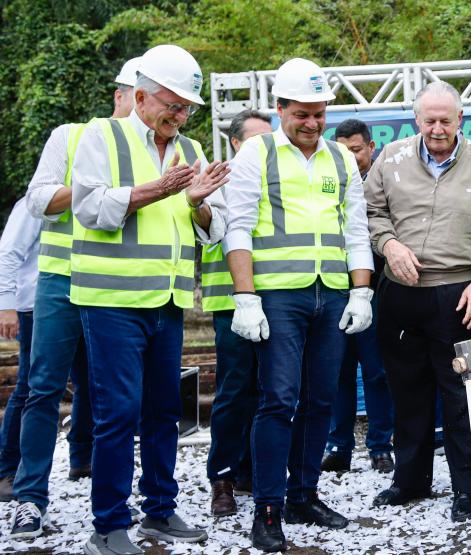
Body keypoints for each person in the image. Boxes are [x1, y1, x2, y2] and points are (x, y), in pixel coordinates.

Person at [69, 44, 227, 554]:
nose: (179, 117)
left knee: (164, 411)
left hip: (168, 300)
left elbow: (213, 230)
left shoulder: (192, 149)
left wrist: (199, 205)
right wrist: (158, 190)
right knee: (118, 411)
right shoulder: (101, 135)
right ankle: (109, 526)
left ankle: (159, 510)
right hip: (111, 299)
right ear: (139, 97)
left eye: (186, 109)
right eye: (172, 105)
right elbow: (90, 209)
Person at [223, 58, 373, 552]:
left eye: (319, 113)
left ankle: (302, 495)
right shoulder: (256, 154)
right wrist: (245, 298)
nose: (311, 123)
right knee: (279, 399)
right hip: (278, 295)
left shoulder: (340, 158)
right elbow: (237, 227)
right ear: (281, 109)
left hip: (330, 293)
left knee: (322, 399)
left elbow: (354, 229)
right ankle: (266, 510)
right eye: (301, 113)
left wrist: (362, 290)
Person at [9, 56, 141, 541]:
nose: (143, 109)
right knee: (42, 387)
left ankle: (117, 508)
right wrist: (95, 193)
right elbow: (39, 198)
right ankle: (29, 499)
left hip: (118, 284)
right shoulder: (71, 134)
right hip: (62, 279)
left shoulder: (158, 147)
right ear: (121, 96)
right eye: (137, 96)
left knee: (118, 397)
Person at [365, 81, 471, 523]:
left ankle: (468, 489)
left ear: (461, 119)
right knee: (407, 391)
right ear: (416, 120)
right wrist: (389, 245)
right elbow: (370, 212)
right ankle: (409, 481)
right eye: (429, 120)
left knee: (462, 395)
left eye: (446, 119)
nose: (437, 128)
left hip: (460, 296)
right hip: (401, 295)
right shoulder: (391, 159)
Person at [201, 109, 272, 517]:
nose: (264, 149)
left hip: (278, 300)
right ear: (234, 143)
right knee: (234, 390)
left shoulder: (282, 176)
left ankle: (254, 471)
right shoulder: (219, 181)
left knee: (273, 391)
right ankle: (223, 477)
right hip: (231, 303)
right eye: (255, 140)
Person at [321, 118, 396, 475]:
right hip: (336, 288)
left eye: (356, 150)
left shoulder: (383, 184)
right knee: (338, 372)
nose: (350, 157)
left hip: (376, 290)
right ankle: (339, 446)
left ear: (370, 147)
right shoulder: (327, 182)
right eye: (343, 151)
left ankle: (381, 446)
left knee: (377, 371)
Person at [0, 198, 41, 501]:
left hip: (77, 303)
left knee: (87, 384)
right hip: (33, 307)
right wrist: (6, 305)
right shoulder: (30, 205)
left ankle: (81, 459)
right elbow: (8, 252)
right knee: (28, 386)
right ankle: (7, 469)